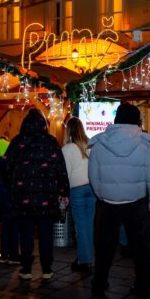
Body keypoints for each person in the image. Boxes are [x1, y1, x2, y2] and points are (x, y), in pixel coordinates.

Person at [89, 102, 150, 299]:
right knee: (141, 248)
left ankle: (99, 284)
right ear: (136, 121)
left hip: (108, 204)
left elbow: (94, 177)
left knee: (104, 247)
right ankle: (143, 286)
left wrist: (103, 194)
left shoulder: (100, 144)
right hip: (136, 203)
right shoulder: (143, 145)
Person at [4, 109, 70, 280]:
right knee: (46, 233)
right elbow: (61, 168)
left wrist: (13, 184)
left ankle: (26, 269)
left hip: (22, 197)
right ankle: (47, 269)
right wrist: (64, 191)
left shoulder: (17, 142)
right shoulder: (51, 142)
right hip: (46, 197)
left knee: (25, 232)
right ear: (44, 125)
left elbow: (6, 167)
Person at [62, 117, 96, 273]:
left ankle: (84, 261)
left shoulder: (67, 149)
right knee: (88, 226)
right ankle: (87, 258)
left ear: (68, 130)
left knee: (80, 226)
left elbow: (66, 174)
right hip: (91, 189)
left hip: (77, 190)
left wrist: (63, 193)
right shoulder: (90, 146)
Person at [0, 137, 20, 265]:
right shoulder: (11, 165)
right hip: (12, 201)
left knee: (5, 228)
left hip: (3, 202)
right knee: (14, 229)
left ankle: (3, 255)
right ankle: (13, 255)